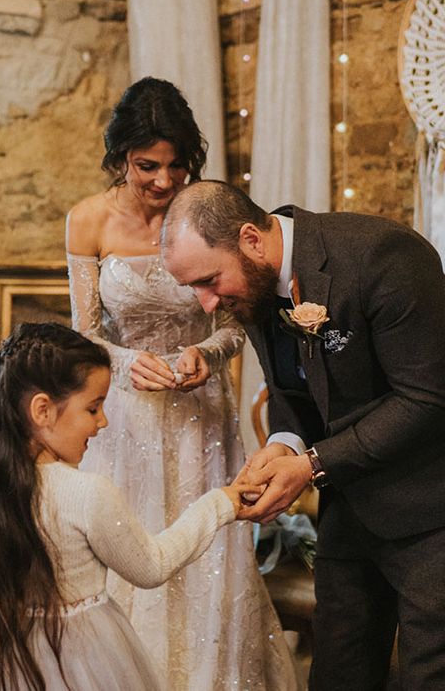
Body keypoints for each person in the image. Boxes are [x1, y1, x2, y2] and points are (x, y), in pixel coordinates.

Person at [161, 179, 445, 690]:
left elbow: (426, 397)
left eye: (207, 281)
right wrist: (282, 447)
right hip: (349, 510)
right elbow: (290, 393)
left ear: (250, 239)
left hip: (430, 511)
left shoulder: (384, 255)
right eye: (193, 290)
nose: (206, 304)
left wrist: (311, 464)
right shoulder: (250, 288)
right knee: (338, 671)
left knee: (429, 673)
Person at [66, 77, 298, 689]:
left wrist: (205, 353)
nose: (164, 181)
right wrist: (122, 364)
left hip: (201, 410)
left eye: (176, 165)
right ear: (120, 157)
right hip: (123, 416)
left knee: (209, 554)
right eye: (147, 166)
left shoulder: (205, 212)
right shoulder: (88, 220)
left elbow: (236, 320)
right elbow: (85, 334)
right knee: (131, 549)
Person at [0, 322, 257, 690]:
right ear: (42, 410)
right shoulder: (86, 493)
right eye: (93, 408)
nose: (103, 422)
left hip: (0, 669)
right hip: (86, 669)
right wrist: (221, 503)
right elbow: (152, 566)